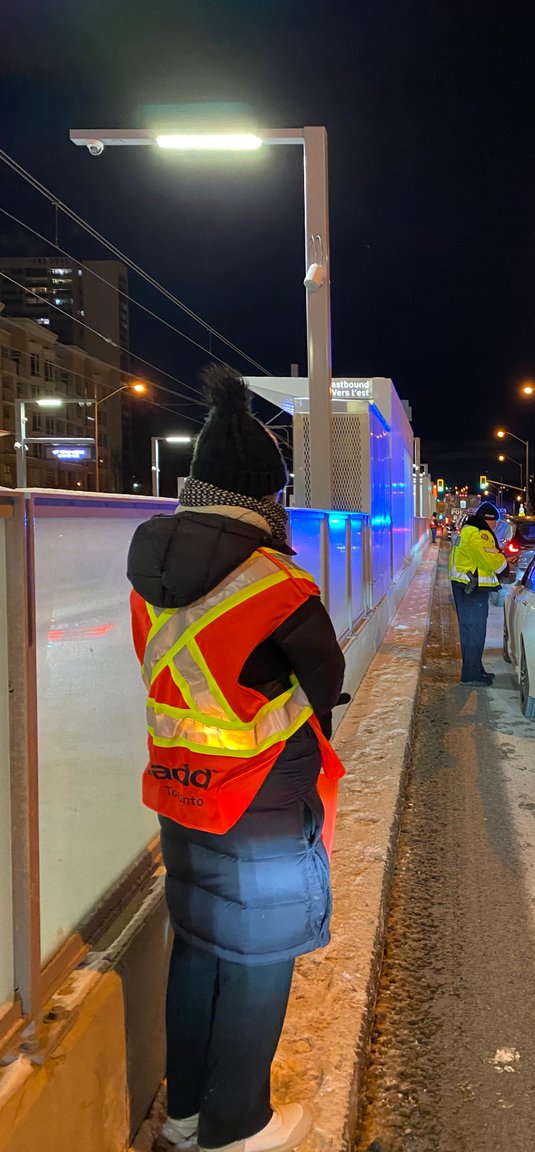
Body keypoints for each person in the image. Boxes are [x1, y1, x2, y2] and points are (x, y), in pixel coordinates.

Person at [126, 365, 346, 1152]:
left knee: (200, 948)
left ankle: (184, 1116)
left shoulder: (147, 577)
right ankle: (239, 1127)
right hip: (260, 806)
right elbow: (327, 684)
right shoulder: (279, 582)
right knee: (260, 954)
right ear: (264, 495)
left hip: (181, 795)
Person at [448, 500, 509, 684]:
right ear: (487, 520)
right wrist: (504, 567)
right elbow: (491, 559)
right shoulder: (479, 534)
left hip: (463, 586)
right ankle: (471, 674)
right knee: (475, 631)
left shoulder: (467, 530)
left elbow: (479, 559)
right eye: (495, 522)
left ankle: (474, 668)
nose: (496, 525)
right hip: (472, 589)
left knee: (469, 630)